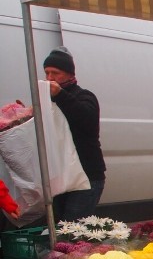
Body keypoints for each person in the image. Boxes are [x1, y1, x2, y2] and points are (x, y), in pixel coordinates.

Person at [43, 47, 106, 221]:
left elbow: (87, 119)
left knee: (72, 230)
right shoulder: (47, 100)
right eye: (46, 72)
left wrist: (60, 95)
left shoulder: (85, 96)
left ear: (70, 74)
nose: (49, 78)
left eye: (55, 73)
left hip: (86, 177)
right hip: (61, 176)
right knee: (59, 227)